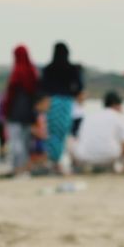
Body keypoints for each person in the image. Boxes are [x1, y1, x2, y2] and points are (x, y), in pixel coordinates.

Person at [40, 42, 84, 171]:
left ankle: (53, 160)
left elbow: (43, 87)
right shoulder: (72, 69)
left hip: (51, 103)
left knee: (52, 132)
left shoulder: (48, 68)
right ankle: (57, 160)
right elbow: (79, 87)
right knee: (62, 133)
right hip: (66, 103)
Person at [72, 91, 124, 173]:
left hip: (83, 157)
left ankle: (77, 166)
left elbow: (78, 137)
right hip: (109, 155)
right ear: (117, 105)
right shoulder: (119, 117)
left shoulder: (90, 116)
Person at [2, 45, 39, 176]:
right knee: (25, 142)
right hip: (29, 115)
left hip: (15, 113)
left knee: (16, 143)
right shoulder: (33, 72)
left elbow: (9, 96)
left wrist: (5, 112)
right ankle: (24, 168)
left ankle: (17, 168)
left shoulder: (16, 73)